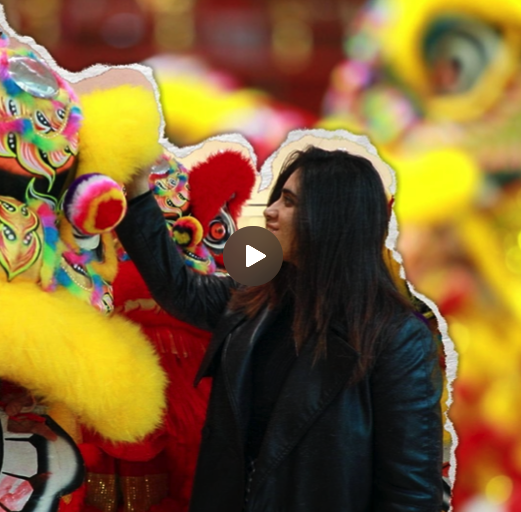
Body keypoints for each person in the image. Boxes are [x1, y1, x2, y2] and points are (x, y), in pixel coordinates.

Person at [116, 145, 444, 512]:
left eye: (288, 202)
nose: (270, 211)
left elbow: (411, 492)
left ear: (332, 217)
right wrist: (139, 189)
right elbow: (180, 289)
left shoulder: (396, 337)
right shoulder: (254, 297)